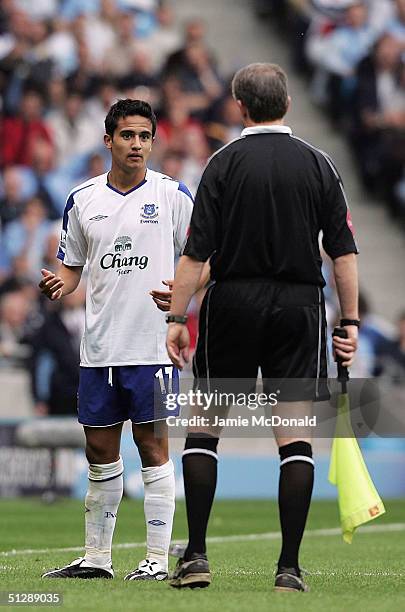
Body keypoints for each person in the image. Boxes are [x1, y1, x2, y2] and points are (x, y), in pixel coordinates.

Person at [166, 63, 359, 592]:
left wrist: (176, 317)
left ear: (240, 108)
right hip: (299, 306)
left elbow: (195, 254)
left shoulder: (222, 164)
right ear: (288, 104)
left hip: (232, 301)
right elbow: (343, 254)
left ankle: (198, 556)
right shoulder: (319, 165)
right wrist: (352, 320)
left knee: (204, 426)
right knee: (294, 439)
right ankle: (289, 569)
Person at [40, 99, 194, 581]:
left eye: (145, 136)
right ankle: (97, 559)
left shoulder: (172, 196)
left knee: (153, 448)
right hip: (100, 350)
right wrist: (60, 284)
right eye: (127, 135)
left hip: (152, 347)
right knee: (100, 454)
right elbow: (72, 268)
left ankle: (153, 558)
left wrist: (184, 293)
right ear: (108, 140)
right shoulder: (83, 199)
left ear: (153, 141)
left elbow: (205, 257)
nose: (137, 144)